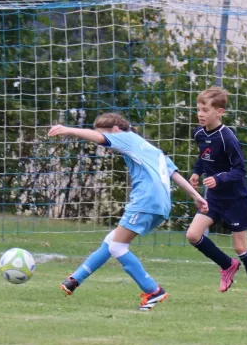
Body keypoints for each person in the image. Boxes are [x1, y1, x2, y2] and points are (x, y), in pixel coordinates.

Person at [47, 113, 208, 310]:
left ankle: (153, 290)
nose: (105, 145)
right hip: (160, 205)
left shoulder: (126, 138)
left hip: (145, 201)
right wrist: (195, 196)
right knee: (112, 240)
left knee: (118, 247)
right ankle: (75, 280)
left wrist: (69, 130)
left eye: (107, 136)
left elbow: (99, 138)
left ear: (115, 130)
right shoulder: (149, 148)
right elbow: (174, 174)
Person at [186, 86, 247, 307]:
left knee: (240, 247)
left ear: (220, 112)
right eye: (198, 109)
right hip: (214, 198)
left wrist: (219, 179)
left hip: (235, 200)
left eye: (205, 109)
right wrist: (197, 171)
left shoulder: (227, 138)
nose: (200, 113)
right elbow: (204, 156)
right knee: (193, 235)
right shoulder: (200, 133)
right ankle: (227, 265)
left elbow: (240, 170)